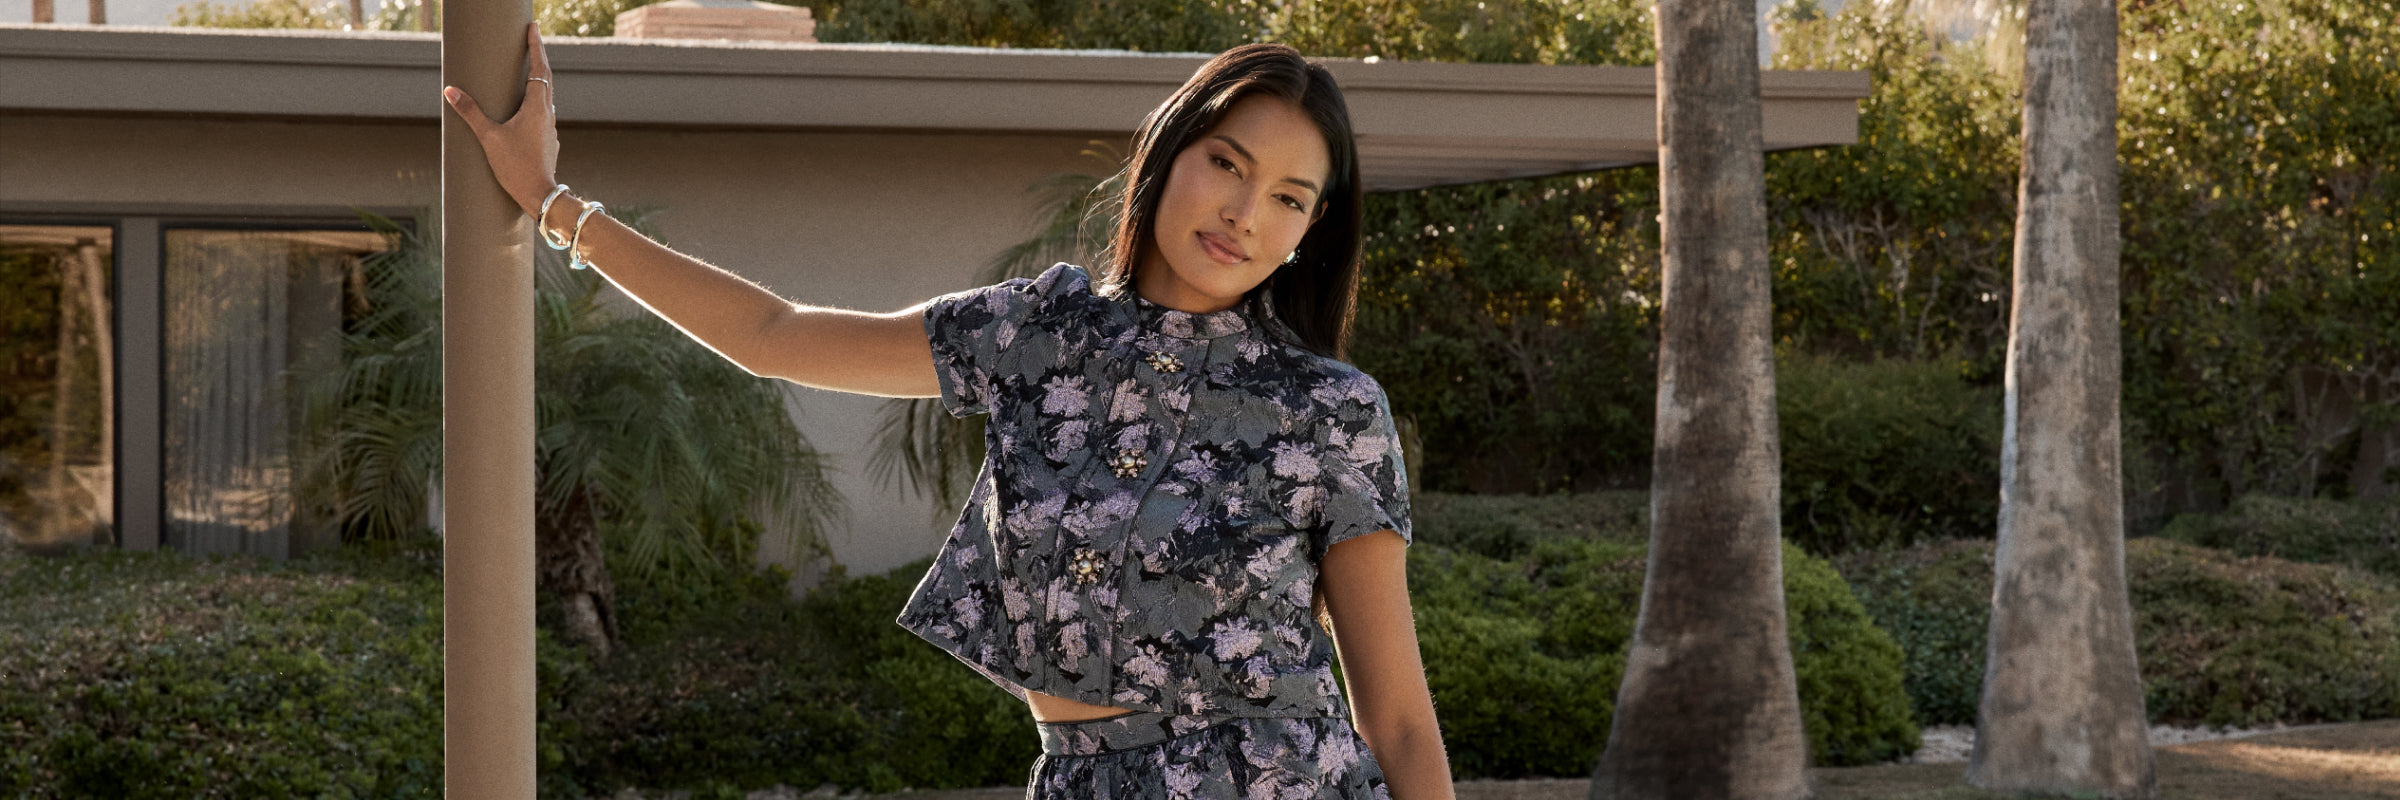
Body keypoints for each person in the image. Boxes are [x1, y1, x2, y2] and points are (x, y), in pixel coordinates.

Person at [444, 25, 1454, 799]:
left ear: (1311, 230)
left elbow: (1398, 716)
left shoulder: (1330, 409)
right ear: (1172, 153)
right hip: (1079, 774)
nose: (1243, 212)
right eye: (1229, 164)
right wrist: (553, 203)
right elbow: (776, 332)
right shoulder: (1035, 333)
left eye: (1288, 196)